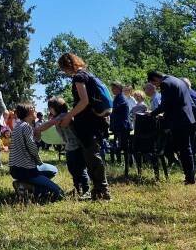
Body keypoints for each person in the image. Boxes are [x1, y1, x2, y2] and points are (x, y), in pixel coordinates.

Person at [56, 52, 111, 201]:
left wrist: (68, 116)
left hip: (87, 124)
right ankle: (99, 190)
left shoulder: (79, 77)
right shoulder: (88, 75)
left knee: (92, 157)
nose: (64, 72)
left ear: (67, 65)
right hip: (95, 122)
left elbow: (84, 101)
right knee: (93, 156)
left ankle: (102, 191)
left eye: (63, 68)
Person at [148, 70, 196, 185]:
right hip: (188, 118)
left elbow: (165, 104)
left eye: (154, 84)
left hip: (180, 120)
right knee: (188, 149)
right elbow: (175, 102)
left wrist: (152, 113)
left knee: (185, 149)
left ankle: (190, 179)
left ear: (155, 79)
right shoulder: (176, 80)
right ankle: (192, 175)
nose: (156, 86)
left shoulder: (165, 83)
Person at [9, 103, 64, 201]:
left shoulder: (18, 126)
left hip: (15, 168)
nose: (36, 112)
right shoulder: (26, 127)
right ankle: (28, 188)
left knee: (53, 170)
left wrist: (37, 138)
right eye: (34, 110)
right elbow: (32, 148)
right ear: (29, 113)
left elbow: (29, 143)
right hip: (26, 170)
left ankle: (23, 184)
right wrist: (38, 162)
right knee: (59, 194)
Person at [38, 96, 89, 198]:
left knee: (80, 169)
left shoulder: (63, 116)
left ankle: (86, 190)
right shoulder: (57, 117)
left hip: (77, 146)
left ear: (56, 107)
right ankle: (78, 188)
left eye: (50, 107)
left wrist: (38, 129)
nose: (49, 110)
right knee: (72, 169)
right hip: (69, 147)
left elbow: (50, 124)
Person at [109, 81, 132, 166]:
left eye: (113, 88)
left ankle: (128, 166)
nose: (112, 90)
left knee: (124, 147)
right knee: (122, 147)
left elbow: (116, 111)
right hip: (119, 126)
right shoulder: (118, 97)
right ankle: (126, 165)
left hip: (122, 126)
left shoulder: (121, 97)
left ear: (119, 88)